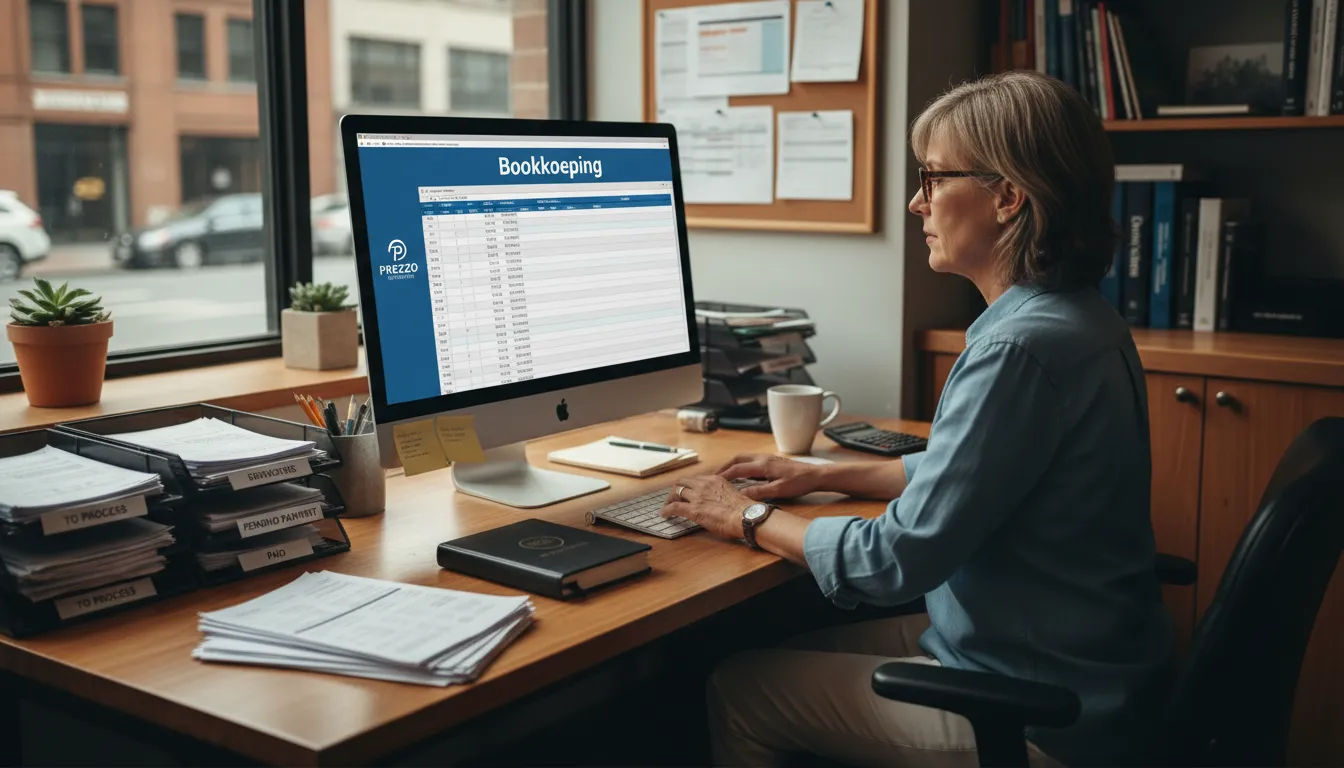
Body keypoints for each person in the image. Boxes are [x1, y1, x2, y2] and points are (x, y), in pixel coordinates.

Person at [659, 70, 1173, 768]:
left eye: (932, 178)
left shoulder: (1017, 348)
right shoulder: (1077, 319)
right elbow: (978, 473)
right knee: (773, 645)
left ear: (1008, 196)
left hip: (1040, 711)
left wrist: (743, 517)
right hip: (1063, 662)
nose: (914, 202)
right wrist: (820, 474)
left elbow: (894, 561)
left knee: (739, 686)